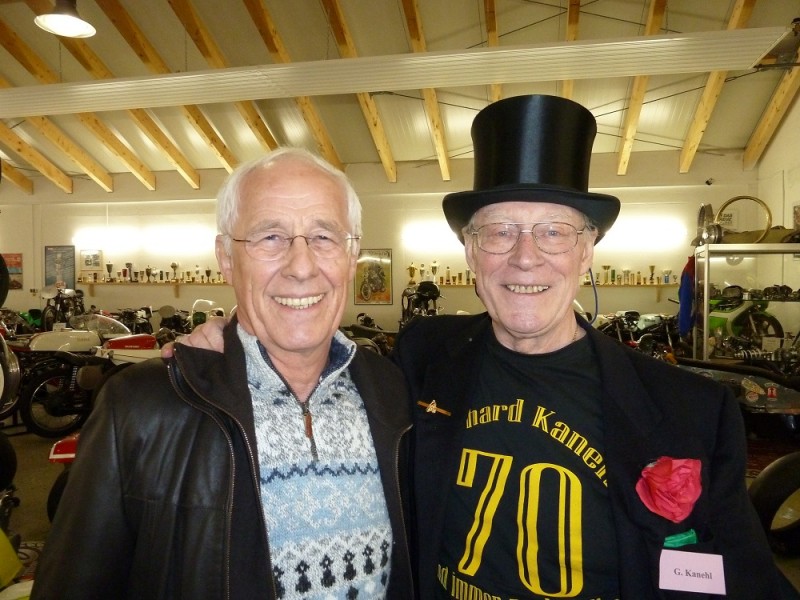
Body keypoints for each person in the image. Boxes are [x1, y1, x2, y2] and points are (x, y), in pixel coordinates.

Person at [169, 96, 796, 599]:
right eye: (499, 231)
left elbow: (737, 579)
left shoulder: (687, 408)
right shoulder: (422, 357)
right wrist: (233, 336)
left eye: (553, 231)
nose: (525, 256)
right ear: (470, 252)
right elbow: (303, 339)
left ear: (585, 252)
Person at [31, 148, 414, 599]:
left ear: (353, 257)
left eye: (324, 238)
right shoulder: (139, 408)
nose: (302, 265)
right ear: (226, 257)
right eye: (270, 237)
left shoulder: (394, 391)